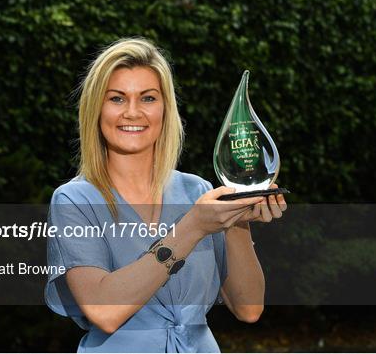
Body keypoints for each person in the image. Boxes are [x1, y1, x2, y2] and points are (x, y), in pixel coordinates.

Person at [45, 37, 287, 353]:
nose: (132, 112)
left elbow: (249, 308)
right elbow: (104, 311)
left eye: (147, 98)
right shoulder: (74, 201)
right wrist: (194, 227)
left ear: (165, 108)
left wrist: (237, 221)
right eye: (117, 98)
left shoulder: (198, 191)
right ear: (95, 108)